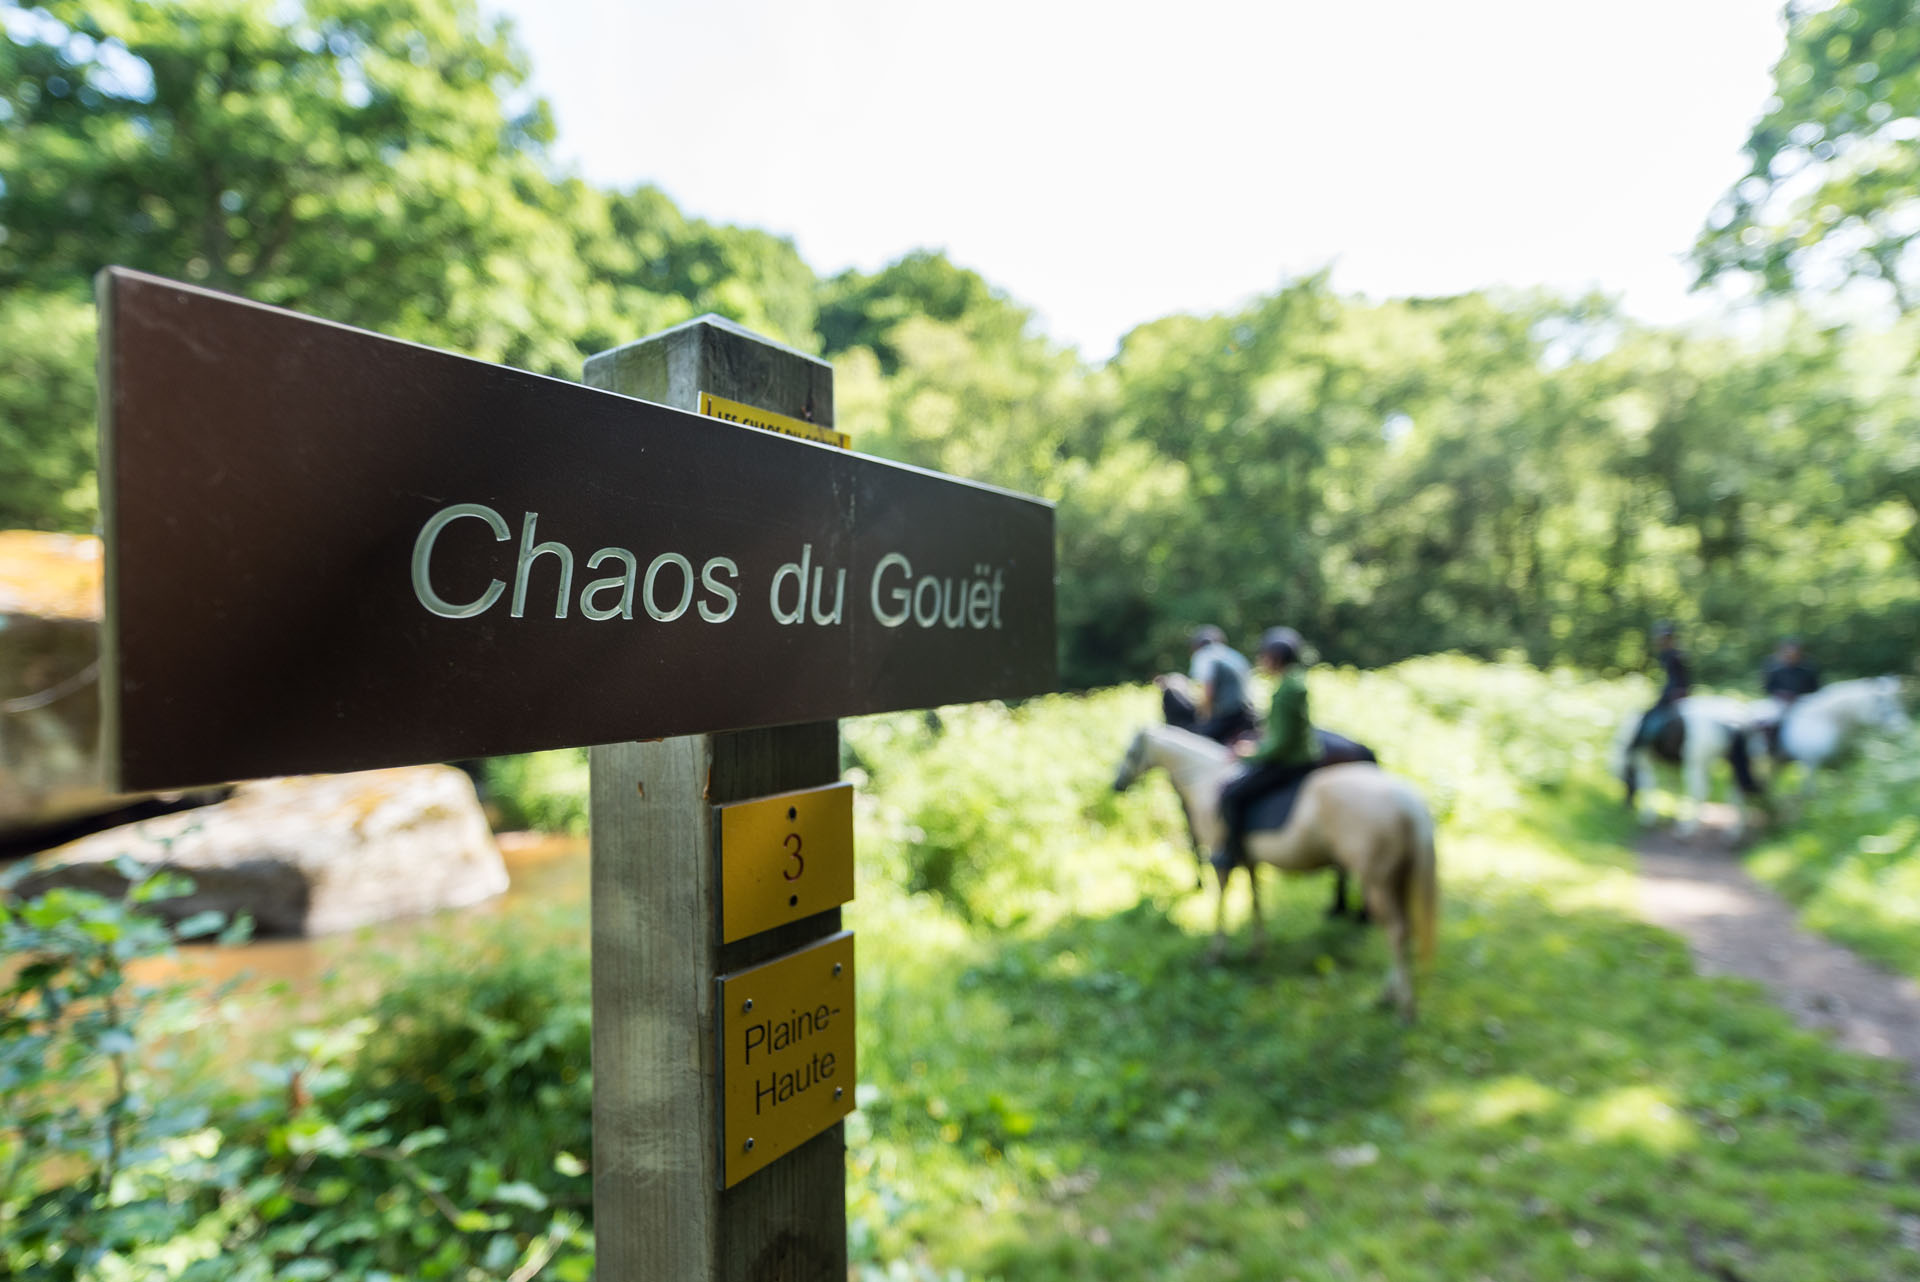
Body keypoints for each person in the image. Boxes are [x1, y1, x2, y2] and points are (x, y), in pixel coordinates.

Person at [1214, 627, 1320, 869]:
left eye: (1263, 655)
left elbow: (1280, 745)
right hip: (1306, 755)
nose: (1260, 660)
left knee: (1231, 794)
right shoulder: (1295, 680)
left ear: (1274, 657)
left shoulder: (1284, 690)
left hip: (1290, 762)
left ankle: (1232, 853)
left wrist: (1249, 754)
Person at [1158, 625, 1258, 745]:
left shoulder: (1204, 655)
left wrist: (1204, 720)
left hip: (1228, 717)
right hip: (1247, 716)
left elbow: (1208, 693)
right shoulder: (1233, 654)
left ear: (1196, 646)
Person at [1632, 621, 1692, 749]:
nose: (1662, 641)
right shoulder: (1674, 654)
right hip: (1678, 693)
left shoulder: (1672, 655)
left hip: (1673, 695)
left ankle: (1641, 746)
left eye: (1665, 638)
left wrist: (1667, 694)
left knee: (1650, 718)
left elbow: (1677, 680)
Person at [1761, 637, 1820, 706]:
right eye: (1788, 654)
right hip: (1778, 702)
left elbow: (1815, 688)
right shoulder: (1773, 668)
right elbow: (1768, 688)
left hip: (1804, 702)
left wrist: (1798, 695)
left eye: (1794, 654)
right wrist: (1782, 694)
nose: (1791, 657)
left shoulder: (1808, 668)